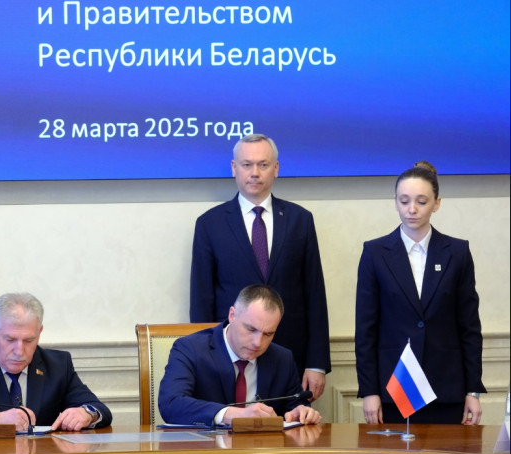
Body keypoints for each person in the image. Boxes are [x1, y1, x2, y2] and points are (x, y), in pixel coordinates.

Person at [189, 133, 330, 400]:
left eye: (263, 165)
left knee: (292, 426)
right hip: (228, 360)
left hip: (292, 359)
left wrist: (316, 363)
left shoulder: (300, 220)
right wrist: (203, 361)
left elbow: (315, 295)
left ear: (276, 168)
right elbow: (202, 299)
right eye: (247, 164)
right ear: (234, 168)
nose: (255, 172)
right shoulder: (210, 224)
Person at [355, 165, 485, 425]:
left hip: (446, 387)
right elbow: (366, 329)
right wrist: (369, 391)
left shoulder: (457, 252)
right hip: (394, 387)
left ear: (436, 204)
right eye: (404, 201)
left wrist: (473, 390)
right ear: (395, 202)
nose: (412, 209)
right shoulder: (375, 253)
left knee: (447, 452)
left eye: (421, 201)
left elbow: (469, 327)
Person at [0, 293, 113, 432]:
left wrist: (87, 414)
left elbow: (99, 409)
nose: (19, 351)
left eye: (29, 340)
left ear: (39, 333)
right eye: (10, 339)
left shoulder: (57, 365)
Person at [159, 285, 321, 426]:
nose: (258, 343)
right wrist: (232, 415)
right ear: (232, 315)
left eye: (268, 334)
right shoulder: (190, 348)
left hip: (263, 449)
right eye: (251, 329)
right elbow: (171, 404)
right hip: (205, 447)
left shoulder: (282, 358)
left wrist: (301, 412)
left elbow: (294, 405)